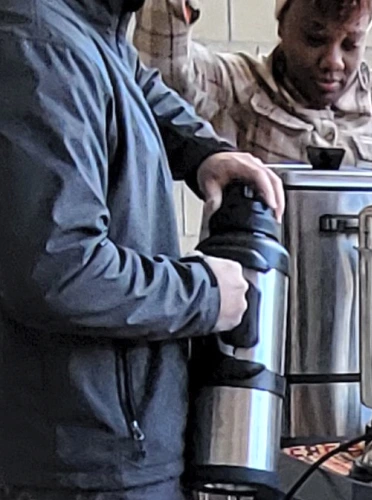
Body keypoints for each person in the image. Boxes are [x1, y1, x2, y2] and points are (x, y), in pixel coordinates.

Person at [0, 0, 285, 498]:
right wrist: (205, 294)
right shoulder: (40, 47)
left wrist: (204, 152)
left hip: (107, 450)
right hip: (82, 466)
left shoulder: (90, 26)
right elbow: (60, 271)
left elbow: (132, 82)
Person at [133, 0, 372, 173]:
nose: (333, 61)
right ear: (282, 26)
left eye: (350, 44)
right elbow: (162, 73)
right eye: (315, 39)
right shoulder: (237, 87)